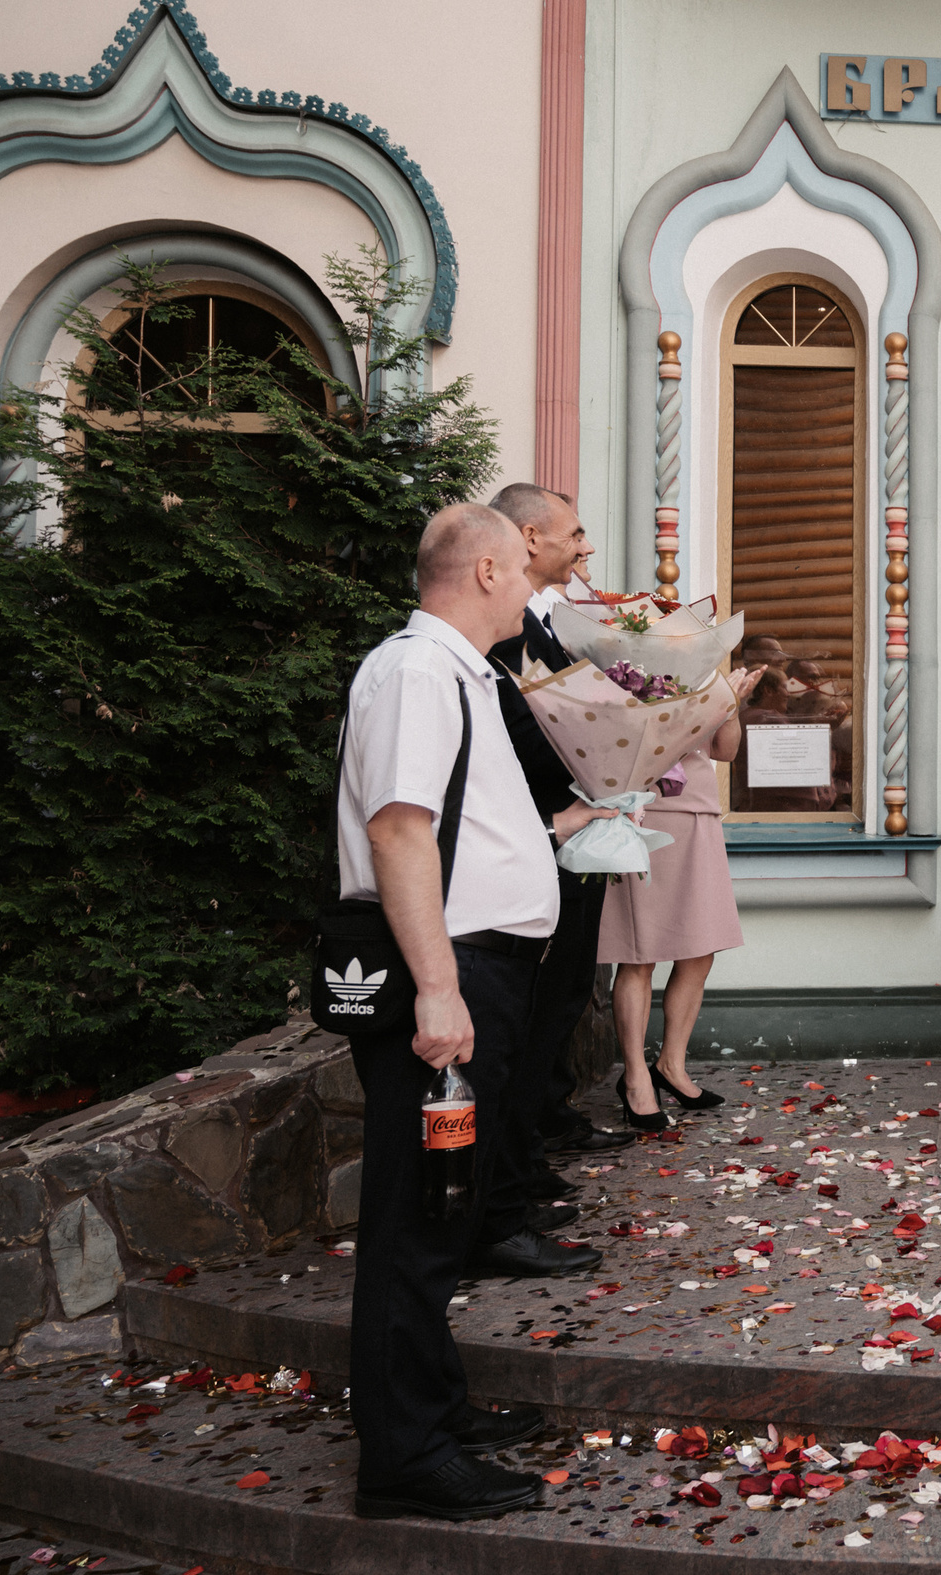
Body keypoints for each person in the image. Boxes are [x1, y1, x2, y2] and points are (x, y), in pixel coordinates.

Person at [336, 503, 606, 1521]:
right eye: (523, 566)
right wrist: (441, 986)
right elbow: (402, 829)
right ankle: (404, 1456)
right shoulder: (414, 670)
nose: (535, 579)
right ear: (492, 565)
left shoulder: (458, 671)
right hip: (442, 974)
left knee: (445, 1208)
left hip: (478, 968)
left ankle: (435, 1406)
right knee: (414, 1217)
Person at [484, 486, 634, 1219]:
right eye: (576, 533)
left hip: (574, 822)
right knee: (537, 1007)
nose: (587, 547)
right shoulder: (500, 634)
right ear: (530, 535)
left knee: (565, 993)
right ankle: (514, 1167)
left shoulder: (551, 625)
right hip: (539, 829)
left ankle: (534, 1135)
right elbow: (525, 731)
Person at [604, 651, 769, 1127]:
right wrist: (712, 706)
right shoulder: (627, 673)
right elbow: (644, 745)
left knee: (699, 950)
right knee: (639, 954)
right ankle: (635, 1076)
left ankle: (670, 1065)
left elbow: (726, 752)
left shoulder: (708, 674)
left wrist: (730, 705)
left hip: (697, 814)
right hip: (644, 813)